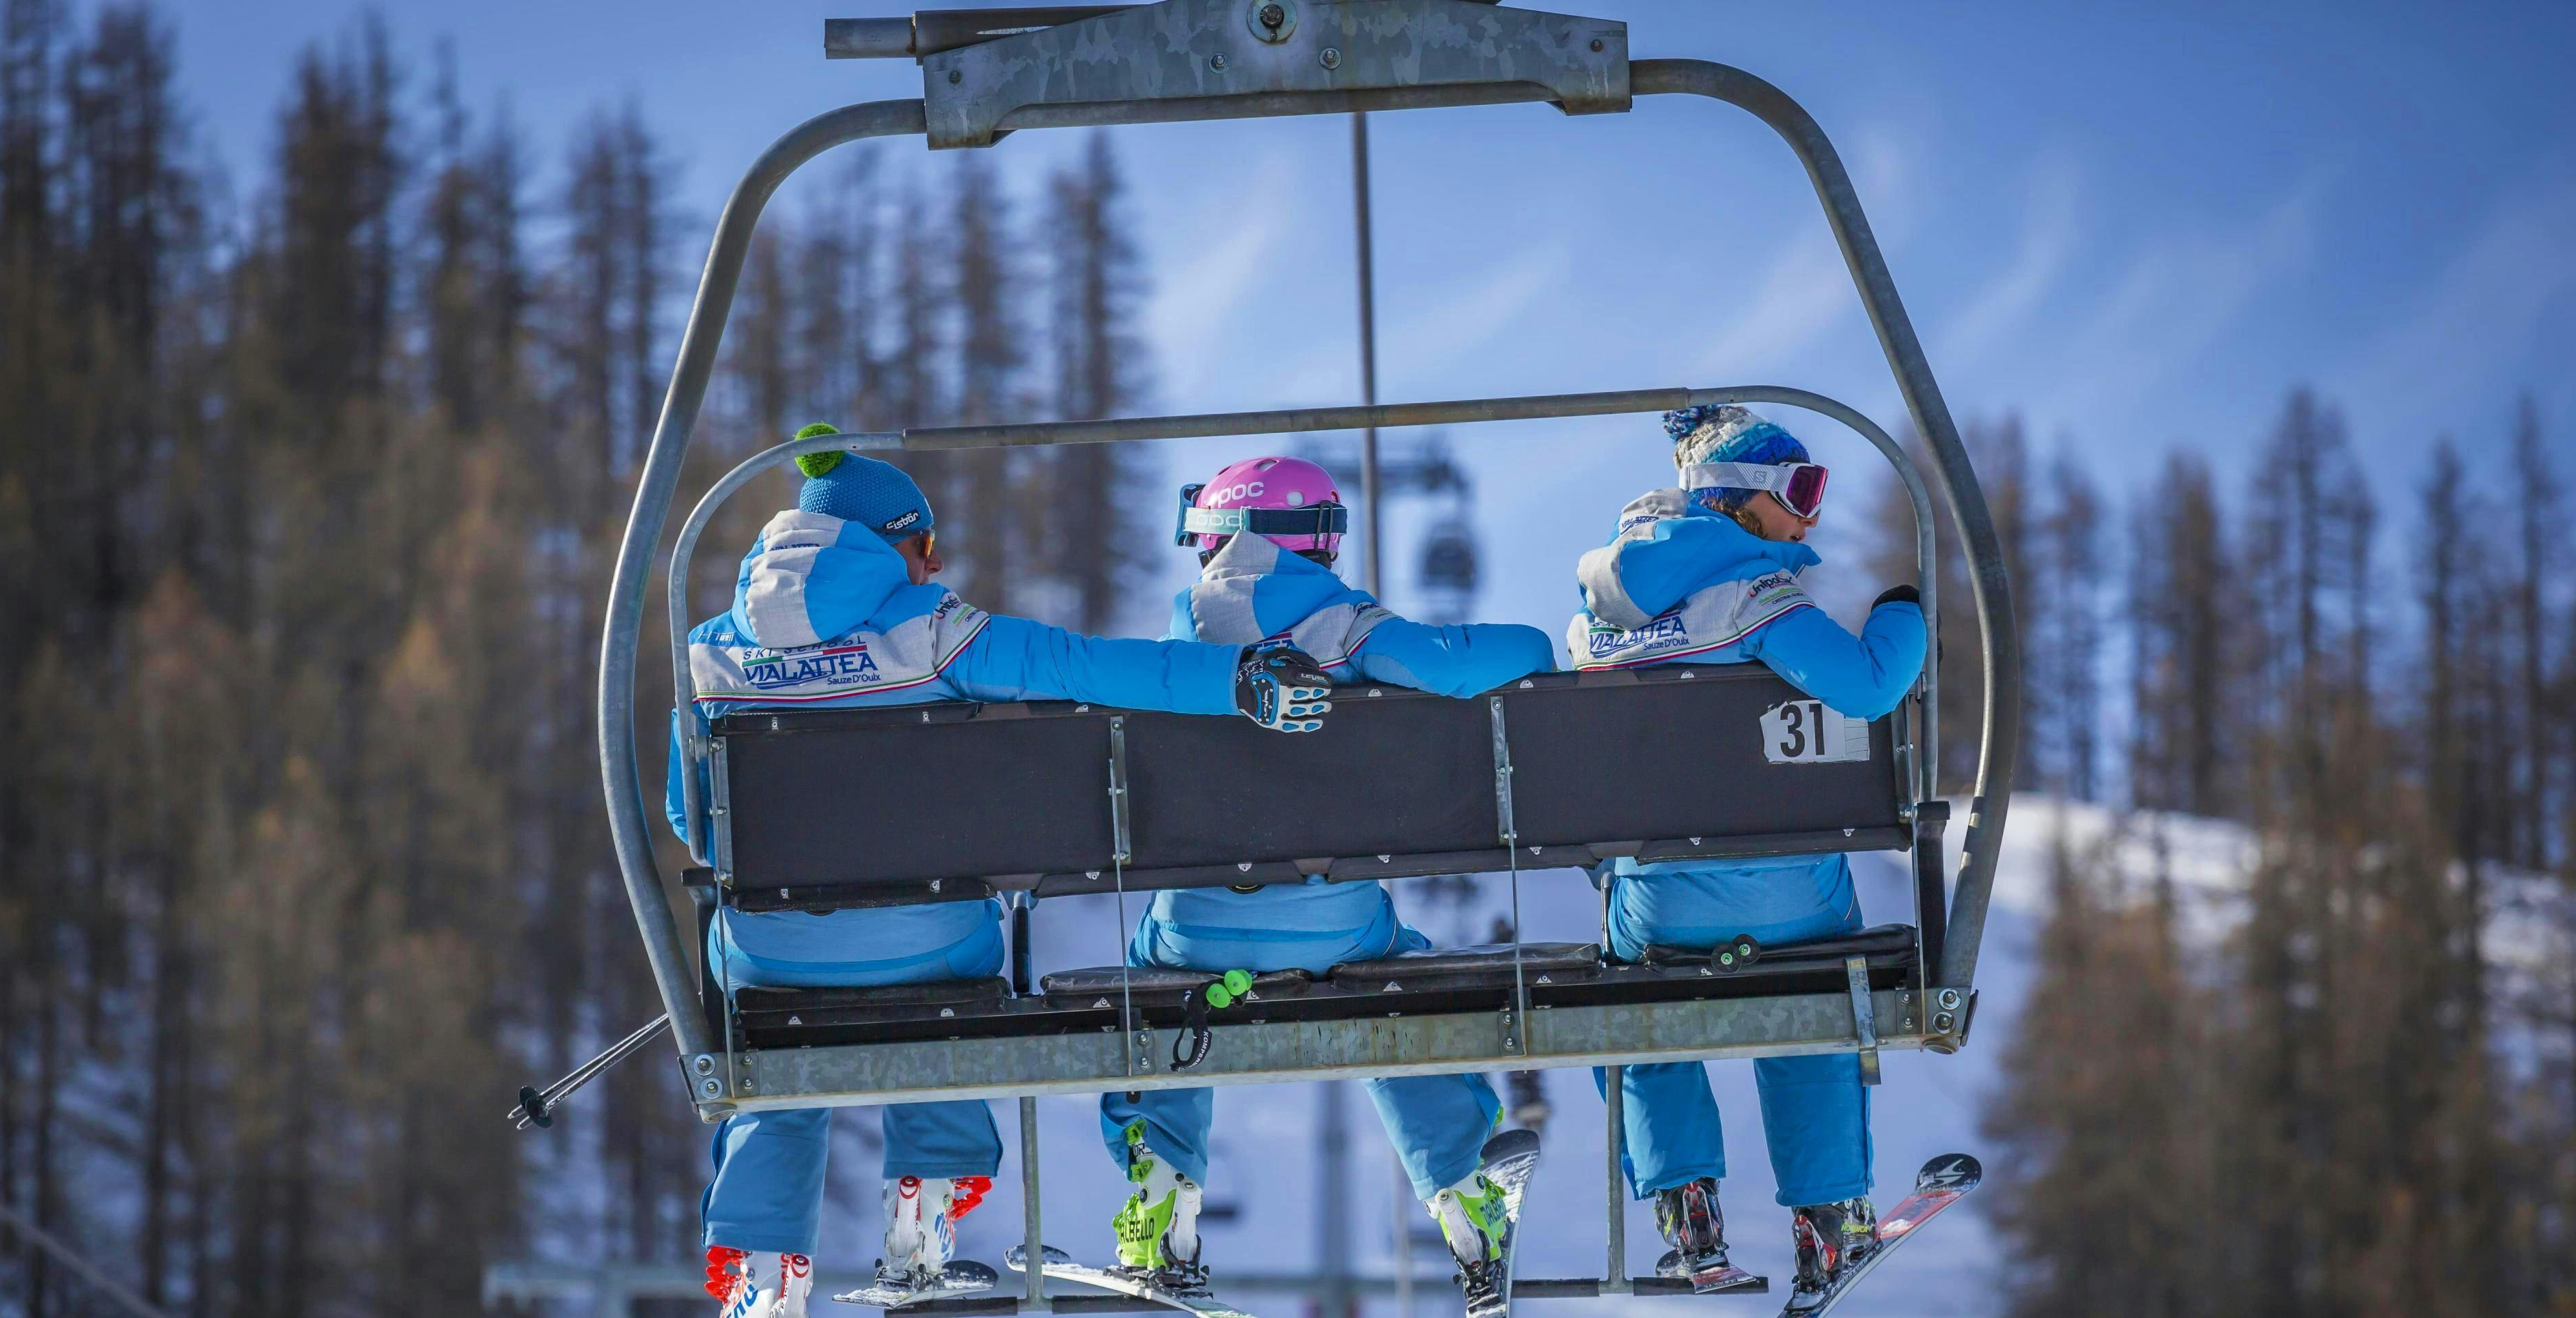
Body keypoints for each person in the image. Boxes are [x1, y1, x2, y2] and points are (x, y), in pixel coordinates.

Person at [667, 427, 1338, 1318]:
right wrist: (1236, 679)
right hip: (932, 944)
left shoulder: (709, 655)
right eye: (925, 545)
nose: (932, 562)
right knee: (941, 1007)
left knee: (773, 1055)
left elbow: (692, 821)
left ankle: (759, 1274)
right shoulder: (936, 633)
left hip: (765, 959)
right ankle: (925, 1215)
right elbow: (1088, 666)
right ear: (898, 543)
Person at [1097, 457, 1557, 1310]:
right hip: (1333, 927)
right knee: (1401, 980)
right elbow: (1470, 666)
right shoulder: (1346, 624)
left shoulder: (1176, 638)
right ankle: (1464, 1190)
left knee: (1147, 974)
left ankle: (1158, 1194)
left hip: (1198, 932)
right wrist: (1535, 642)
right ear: (1306, 539)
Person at [1566, 406, 1925, 1310]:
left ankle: (1688, 1215)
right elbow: (1871, 683)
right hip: (1787, 900)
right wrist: (1902, 613)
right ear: (1741, 504)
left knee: (1637, 1001)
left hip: (1658, 912)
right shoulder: (1758, 599)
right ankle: (1827, 1220)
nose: (1812, 516)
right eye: (1800, 491)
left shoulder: (1596, 620)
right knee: (1812, 993)